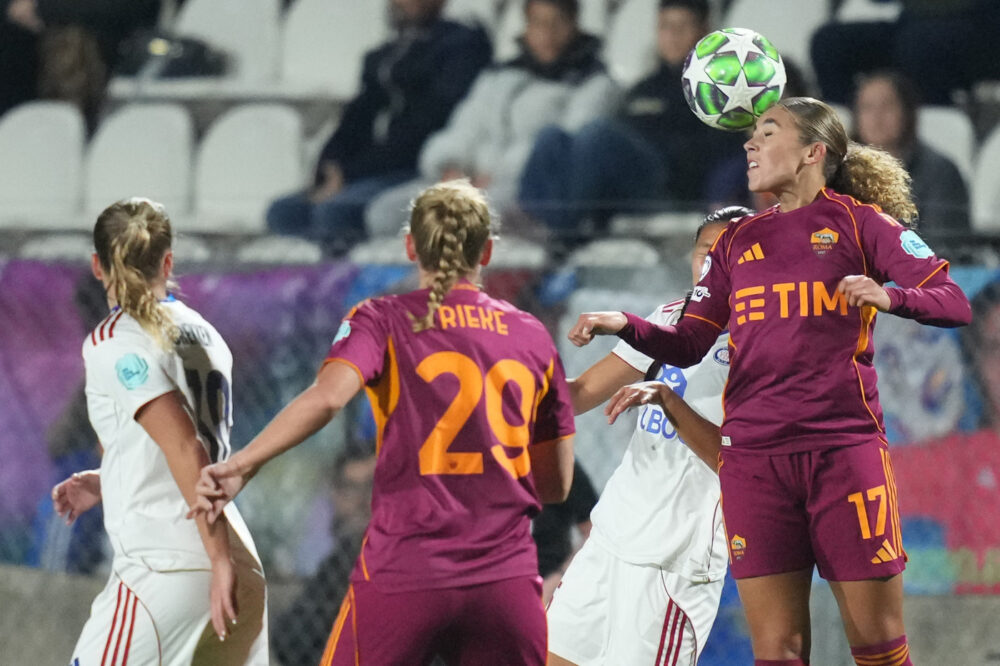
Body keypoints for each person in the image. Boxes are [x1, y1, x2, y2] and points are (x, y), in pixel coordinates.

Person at [567, 97, 972, 665]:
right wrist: (627, 325)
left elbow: (953, 301)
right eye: (751, 134)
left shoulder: (861, 223)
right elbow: (689, 341)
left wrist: (892, 296)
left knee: (878, 647)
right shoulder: (736, 242)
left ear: (813, 152)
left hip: (841, 453)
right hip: (755, 464)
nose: (749, 144)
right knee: (778, 651)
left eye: (766, 132)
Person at [191, 180, 577, 666]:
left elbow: (328, 399)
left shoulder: (382, 318)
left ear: (410, 246)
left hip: (405, 573)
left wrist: (244, 463)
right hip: (504, 584)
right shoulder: (532, 335)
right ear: (489, 251)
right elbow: (557, 485)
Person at [51, 197, 267, 664]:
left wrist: (217, 561)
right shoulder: (204, 333)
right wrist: (109, 479)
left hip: (169, 566)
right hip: (236, 561)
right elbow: (176, 447)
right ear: (167, 262)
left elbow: (187, 447)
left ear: (97, 265)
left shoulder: (112, 340)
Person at [548, 206, 749, 666]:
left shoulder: (762, 342)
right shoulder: (670, 317)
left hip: (673, 562)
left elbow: (737, 462)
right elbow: (579, 393)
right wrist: (506, 391)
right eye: (705, 253)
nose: (713, 265)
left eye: (731, 255)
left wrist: (669, 402)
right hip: (611, 539)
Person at [364, 0, 619, 240]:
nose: (547, 33)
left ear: (574, 25)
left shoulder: (594, 83)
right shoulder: (498, 77)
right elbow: (466, 125)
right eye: (538, 23)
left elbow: (561, 149)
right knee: (385, 212)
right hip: (469, 179)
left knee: (475, 217)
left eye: (558, 23)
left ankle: (448, 280)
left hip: (524, 189)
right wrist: (452, 167)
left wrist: (494, 175)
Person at [266, 0, 492, 254]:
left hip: (414, 167)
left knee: (335, 212)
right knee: (284, 212)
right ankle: (304, 287)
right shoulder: (384, 55)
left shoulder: (462, 47)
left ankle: (346, 288)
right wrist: (330, 167)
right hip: (366, 171)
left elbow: (426, 124)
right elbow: (356, 117)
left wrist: (351, 174)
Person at [517, 0, 745, 241]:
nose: (673, 36)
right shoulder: (642, 89)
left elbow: (723, 154)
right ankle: (533, 218)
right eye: (666, 27)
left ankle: (564, 230)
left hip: (669, 188)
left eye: (683, 26)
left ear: (703, 32)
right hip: (624, 185)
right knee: (551, 137)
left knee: (598, 135)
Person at [273, 445, 377, 666]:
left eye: (370, 488)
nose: (360, 501)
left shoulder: (400, 558)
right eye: (350, 488)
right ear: (335, 495)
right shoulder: (337, 561)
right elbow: (289, 637)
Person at [810, 0, 1000, 105]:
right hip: (913, 26)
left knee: (917, 46)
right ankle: (853, 128)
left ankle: (927, 135)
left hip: (984, 30)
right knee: (828, 43)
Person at [851, 70, 970, 235]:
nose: (876, 117)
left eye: (887, 106)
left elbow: (942, 246)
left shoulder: (941, 173)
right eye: (867, 108)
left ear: (907, 113)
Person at [532, 459, 598, 605]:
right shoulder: (492, 466)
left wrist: (558, 580)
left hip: (550, 581)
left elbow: (595, 532)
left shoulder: (559, 464)